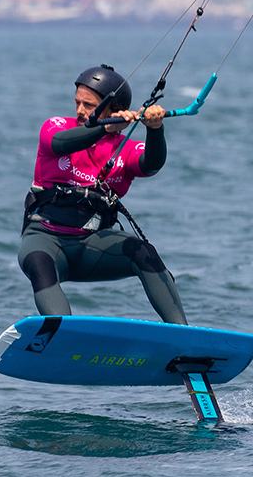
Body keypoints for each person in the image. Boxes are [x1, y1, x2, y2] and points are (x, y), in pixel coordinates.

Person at [17, 64, 187, 324]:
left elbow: (152, 163)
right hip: (45, 240)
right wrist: (103, 128)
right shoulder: (56, 127)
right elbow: (62, 143)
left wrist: (155, 129)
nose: (80, 111)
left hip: (91, 246)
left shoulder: (125, 150)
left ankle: (184, 339)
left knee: (144, 252)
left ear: (113, 110)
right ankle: (64, 338)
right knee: (40, 265)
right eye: (77, 103)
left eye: (89, 105)